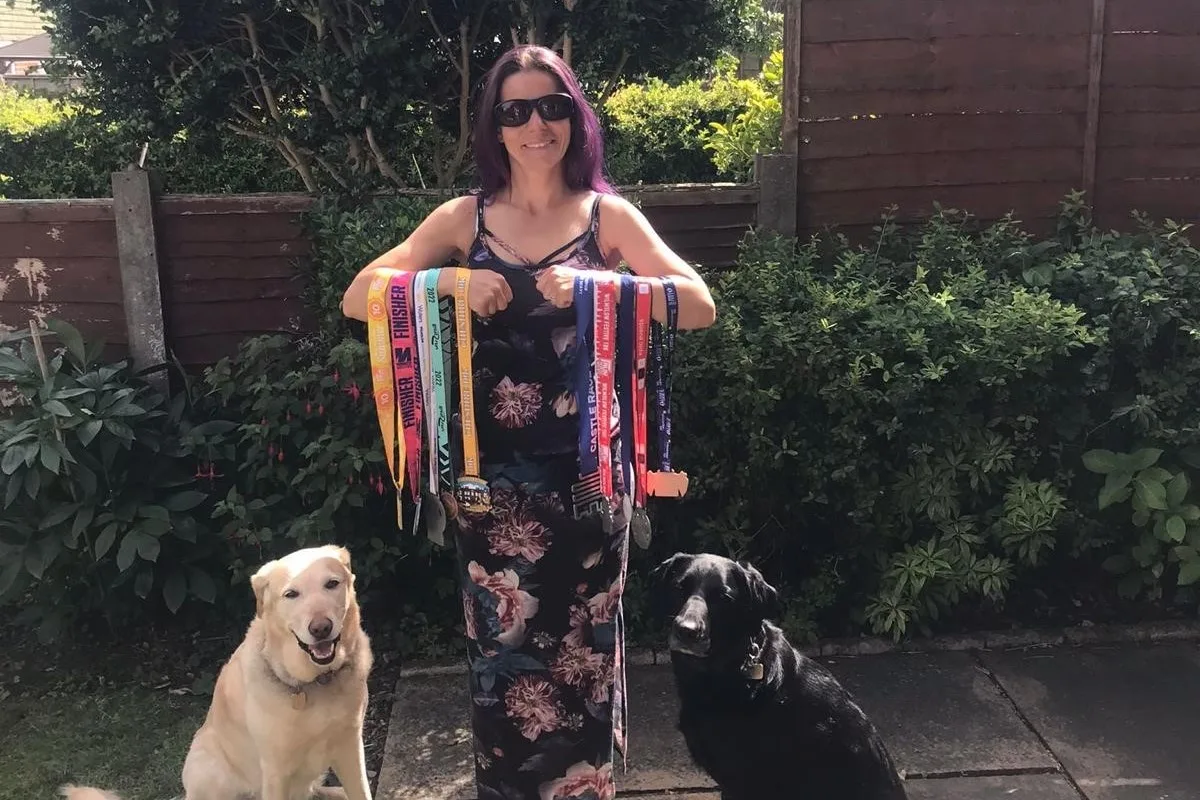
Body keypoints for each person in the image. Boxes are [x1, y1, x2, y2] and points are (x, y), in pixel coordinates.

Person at [341, 44, 716, 799]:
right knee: (498, 654)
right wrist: (452, 279)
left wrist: (595, 284)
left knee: (586, 654)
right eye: (516, 111)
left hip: (586, 485)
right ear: (495, 126)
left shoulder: (607, 218)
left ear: (575, 118)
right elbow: (360, 296)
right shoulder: (463, 219)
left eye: (552, 106)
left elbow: (699, 303)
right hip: (489, 491)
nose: (536, 124)